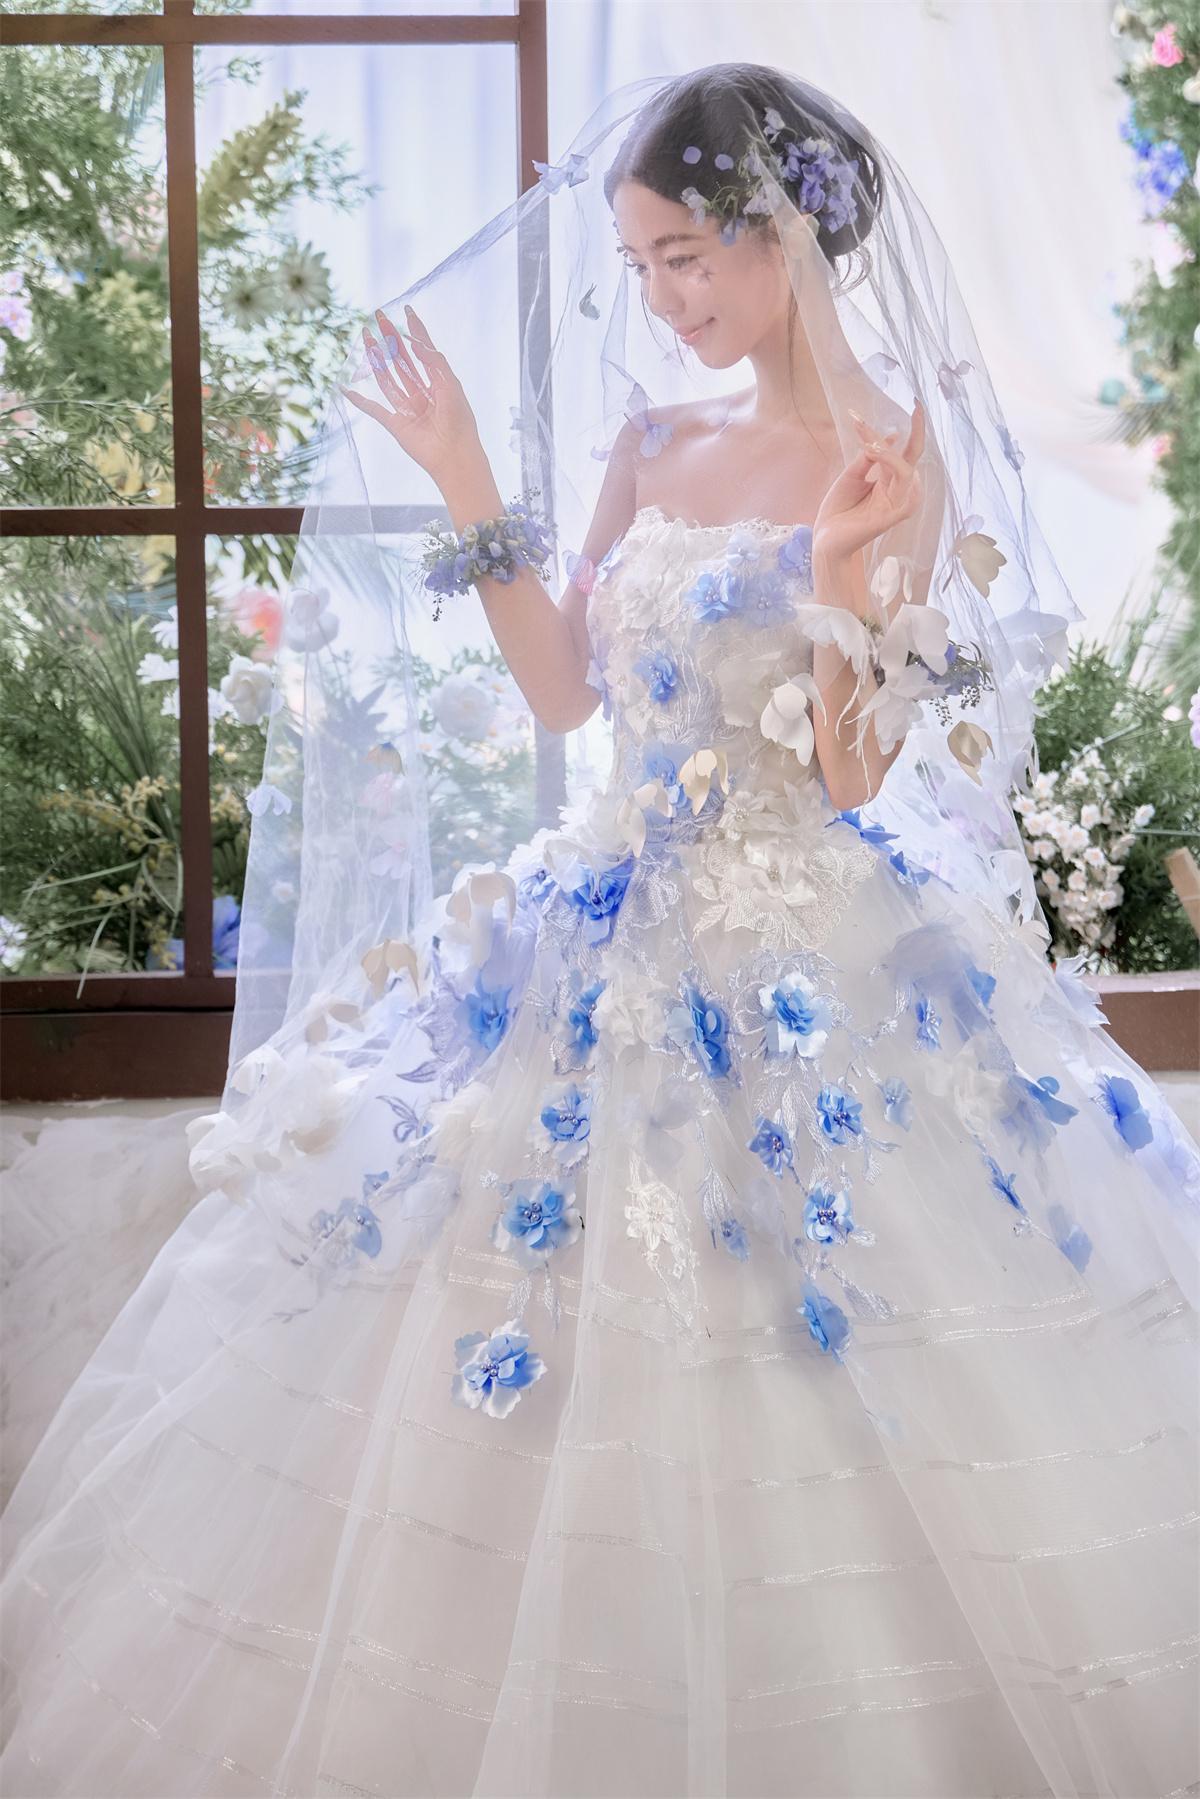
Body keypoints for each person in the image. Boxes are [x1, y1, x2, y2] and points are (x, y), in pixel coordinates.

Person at [2, 61, 1197, 1799]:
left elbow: (855, 779)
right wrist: (467, 474)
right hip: (595, 924)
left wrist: (844, 579)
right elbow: (567, 693)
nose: (663, 299)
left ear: (786, 232)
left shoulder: (890, 457)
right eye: (639, 267)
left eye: (686, 258)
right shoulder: (652, 443)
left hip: (803, 955)